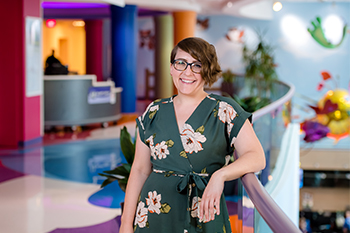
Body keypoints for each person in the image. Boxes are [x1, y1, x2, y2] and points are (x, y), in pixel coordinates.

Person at [119, 37, 266, 233]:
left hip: (205, 216)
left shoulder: (225, 110)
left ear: (207, 71)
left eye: (197, 65)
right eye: (181, 63)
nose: (187, 72)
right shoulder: (153, 111)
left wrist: (220, 175)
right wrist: (125, 224)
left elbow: (256, 157)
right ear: (171, 68)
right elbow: (139, 170)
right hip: (154, 215)